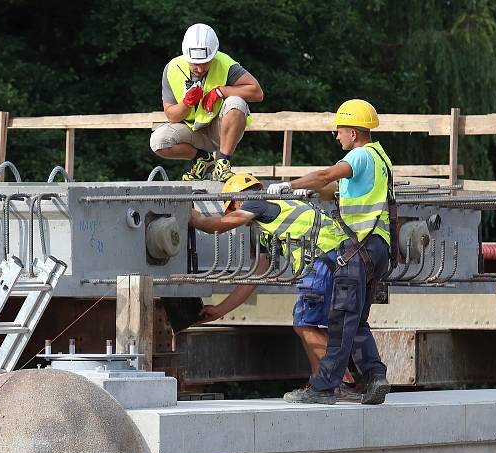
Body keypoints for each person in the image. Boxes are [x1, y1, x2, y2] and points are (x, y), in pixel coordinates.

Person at [189, 174, 360, 401]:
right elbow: (257, 272)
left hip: (324, 260)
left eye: (234, 206)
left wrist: (192, 217)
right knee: (304, 324)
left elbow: (219, 225)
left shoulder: (255, 200)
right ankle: (322, 384)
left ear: (238, 199)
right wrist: (220, 310)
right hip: (336, 259)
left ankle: (342, 383)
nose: (239, 213)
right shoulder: (272, 215)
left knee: (305, 324)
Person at [270, 99, 394, 405]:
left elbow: (328, 176)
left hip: (357, 249)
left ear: (353, 132)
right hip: (377, 249)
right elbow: (335, 189)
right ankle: (374, 378)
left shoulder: (360, 155)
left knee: (340, 319)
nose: (336, 136)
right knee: (357, 320)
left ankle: (323, 388)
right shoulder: (381, 158)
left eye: (339, 130)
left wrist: (288, 185)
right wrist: (311, 189)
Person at [150, 23, 263, 182]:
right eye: (195, 63)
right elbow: (171, 116)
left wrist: (221, 91)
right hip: (192, 131)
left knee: (236, 102)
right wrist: (186, 103)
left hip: (220, 130)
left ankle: (222, 163)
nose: (200, 68)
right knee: (158, 141)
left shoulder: (225, 64)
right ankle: (203, 159)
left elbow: (257, 92)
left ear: (214, 54)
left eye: (205, 62)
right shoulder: (172, 69)